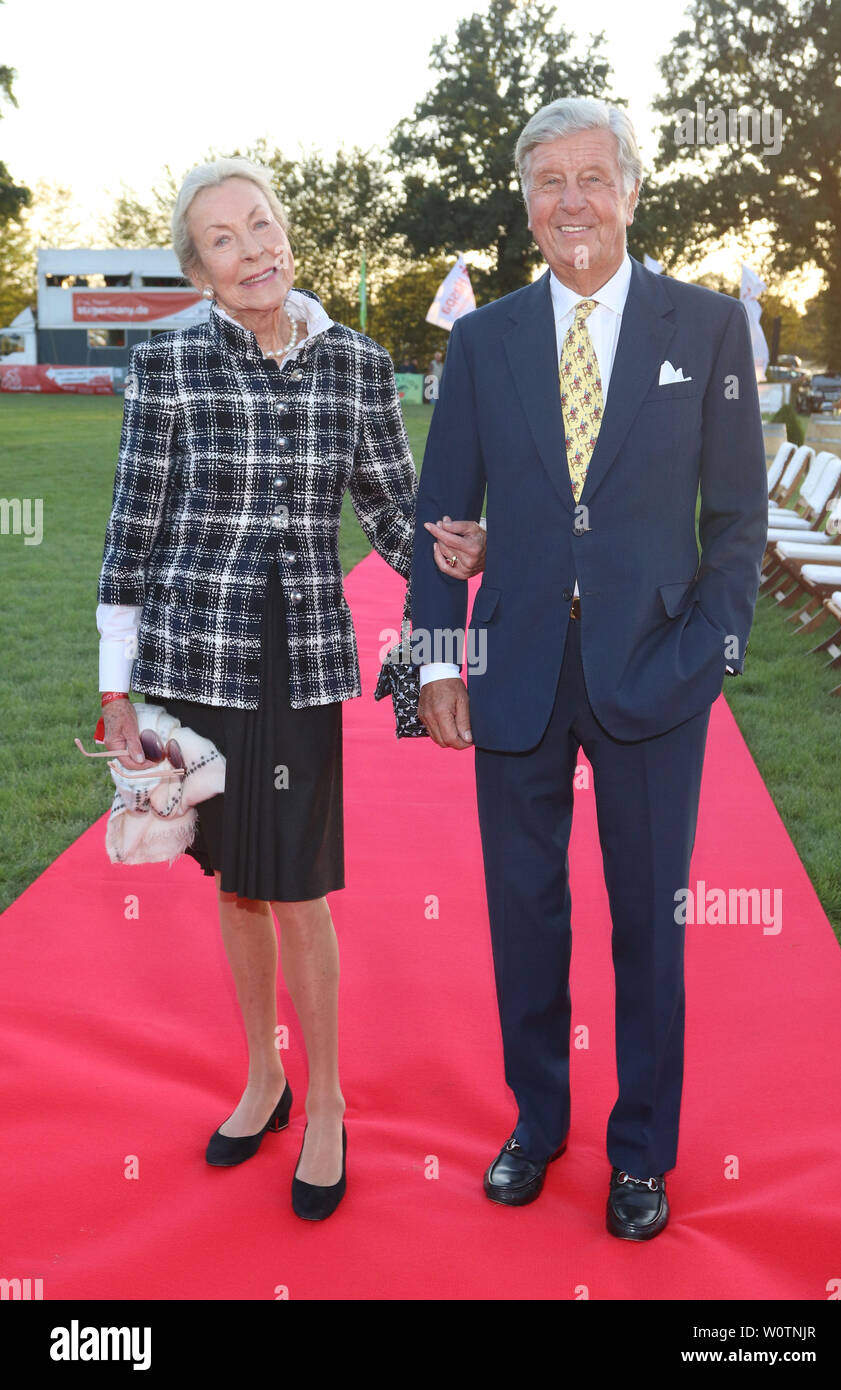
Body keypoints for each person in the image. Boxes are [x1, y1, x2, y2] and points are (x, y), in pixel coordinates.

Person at [96, 156, 486, 1222]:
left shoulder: (358, 364)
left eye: (259, 224)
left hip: (302, 656)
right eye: (223, 239)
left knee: (299, 883)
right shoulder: (167, 361)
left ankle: (325, 1100)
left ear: (286, 233)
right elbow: (133, 527)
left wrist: (463, 560)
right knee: (235, 879)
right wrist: (115, 691)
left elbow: (393, 515)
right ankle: (261, 1078)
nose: (251, 248)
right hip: (192, 655)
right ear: (199, 268)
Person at [412, 97, 768, 1240]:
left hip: (652, 673)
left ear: (628, 188)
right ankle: (536, 1121)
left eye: (590, 177)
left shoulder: (706, 328)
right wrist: (433, 662)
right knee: (523, 913)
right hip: (514, 667)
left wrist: (709, 651)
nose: (571, 201)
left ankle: (642, 1151)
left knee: (646, 920)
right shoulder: (482, 340)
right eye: (547, 182)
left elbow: (737, 518)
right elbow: (440, 518)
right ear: (525, 203)